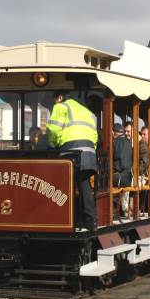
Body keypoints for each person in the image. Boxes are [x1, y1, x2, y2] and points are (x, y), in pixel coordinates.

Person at [46, 91, 98, 231]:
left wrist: (52, 146)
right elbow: (94, 135)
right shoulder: (87, 112)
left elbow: (53, 129)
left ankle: (63, 218)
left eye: (54, 99)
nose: (54, 103)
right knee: (84, 184)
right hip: (89, 151)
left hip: (71, 149)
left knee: (63, 185)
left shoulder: (60, 107)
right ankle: (90, 220)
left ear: (60, 97)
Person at [112, 123, 132, 219]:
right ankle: (124, 209)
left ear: (113, 133)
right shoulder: (128, 142)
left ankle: (110, 210)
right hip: (128, 177)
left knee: (99, 182)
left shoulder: (116, 142)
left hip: (119, 177)